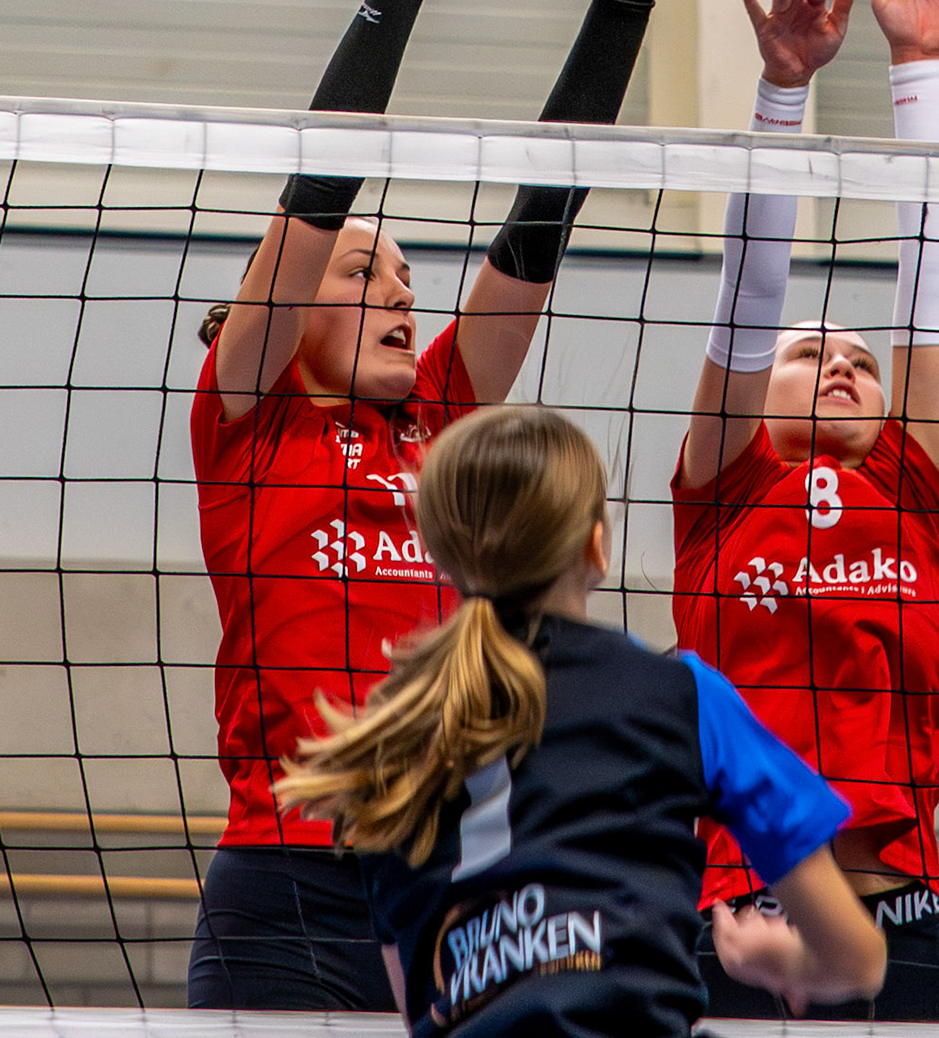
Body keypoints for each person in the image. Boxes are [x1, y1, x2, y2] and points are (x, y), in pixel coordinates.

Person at [188, 0, 756, 1011]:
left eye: (408, 277)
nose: (402, 295)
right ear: (288, 304)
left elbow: (539, 224)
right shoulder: (248, 419)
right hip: (287, 885)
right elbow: (317, 186)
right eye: (365, 274)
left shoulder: (441, 415)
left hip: (456, 884)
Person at [275, 404, 888, 1037]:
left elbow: (419, 1010)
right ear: (595, 545)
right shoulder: (683, 695)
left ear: (438, 555)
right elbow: (859, 960)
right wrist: (784, 961)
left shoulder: (389, 736)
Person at [671, 0, 939, 1022]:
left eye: (863, 360)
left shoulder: (916, 485)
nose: (846, 366)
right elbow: (749, 289)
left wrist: (919, 67)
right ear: (757, 390)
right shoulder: (726, 487)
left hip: (901, 926)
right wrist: (784, 92)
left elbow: (932, 274)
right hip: (740, 923)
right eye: (811, 354)